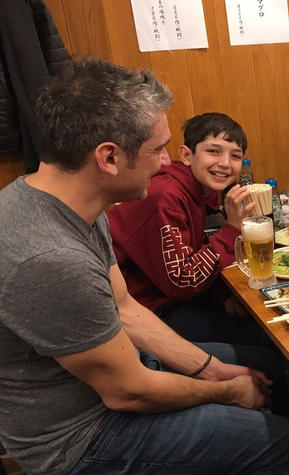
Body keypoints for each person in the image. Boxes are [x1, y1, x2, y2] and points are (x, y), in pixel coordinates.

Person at [0, 58, 289, 475]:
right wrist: (227, 393)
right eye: (156, 149)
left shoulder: (71, 207)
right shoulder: (52, 259)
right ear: (109, 158)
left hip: (118, 377)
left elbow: (127, 310)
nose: (167, 162)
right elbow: (127, 392)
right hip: (81, 436)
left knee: (258, 368)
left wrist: (214, 371)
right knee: (288, 445)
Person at [108, 112, 274, 349]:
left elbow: (189, 256)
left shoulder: (200, 191)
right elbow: (182, 282)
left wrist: (221, 296)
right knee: (267, 342)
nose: (225, 163)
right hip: (146, 312)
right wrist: (232, 228)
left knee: (264, 321)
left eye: (235, 156)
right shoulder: (164, 196)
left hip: (173, 296)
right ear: (187, 155)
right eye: (213, 151)